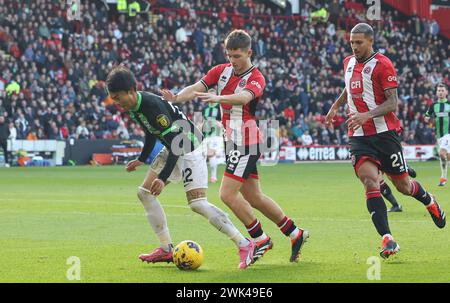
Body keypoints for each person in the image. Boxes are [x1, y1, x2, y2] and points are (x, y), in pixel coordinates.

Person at [161, 29, 309, 263]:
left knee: (227, 194)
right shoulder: (220, 71)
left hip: (247, 141)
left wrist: (217, 98)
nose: (233, 60)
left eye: (237, 56)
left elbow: (244, 98)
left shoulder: (256, 77)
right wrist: (176, 97)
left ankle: (260, 239)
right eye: (230, 55)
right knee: (254, 196)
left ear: (249, 52)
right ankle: (294, 232)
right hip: (233, 141)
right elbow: (197, 86)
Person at [106, 65, 256, 269]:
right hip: (173, 146)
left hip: (189, 146)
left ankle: (245, 244)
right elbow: (151, 131)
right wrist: (142, 158)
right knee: (145, 193)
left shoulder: (152, 106)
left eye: (117, 97)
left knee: (198, 204)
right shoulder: (134, 106)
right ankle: (166, 249)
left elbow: (177, 142)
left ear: (131, 91)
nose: (116, 102)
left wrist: (162, 177)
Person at [325, 23, 446, 259]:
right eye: (352, 42)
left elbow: (393, 103)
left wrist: (366, 115)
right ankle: (387, 239)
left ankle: (430, 201)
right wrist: (335, 106)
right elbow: (348, 89)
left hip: (385, 135)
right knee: (370, 182)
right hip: (359, 137)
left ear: (371, 41)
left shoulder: (383, 64)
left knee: (403, 186)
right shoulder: (348, 62)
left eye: (359, 42)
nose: (354, 46)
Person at [424, 83, 450, 186]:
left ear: (446, 92)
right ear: (436, 92)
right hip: (439, 136)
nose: (440, 92)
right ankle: (444, 177)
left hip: (448, 134)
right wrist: (428, 119)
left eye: (442, 90)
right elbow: (426, 116)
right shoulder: (433, 105)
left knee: (441, 154)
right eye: (439, 90)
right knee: (445, 157)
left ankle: (443, 178)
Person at [202, 89, 225, 183]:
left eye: (212, 95)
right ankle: (210, 176)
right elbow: (202, 122)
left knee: (212, 154)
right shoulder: (205, 108)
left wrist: (216, 123)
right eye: (209, 95)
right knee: (207, 155)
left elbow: (224, 121)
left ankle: (213, 177)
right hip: (207, 135)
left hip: (217, 135)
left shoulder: (220, 107)